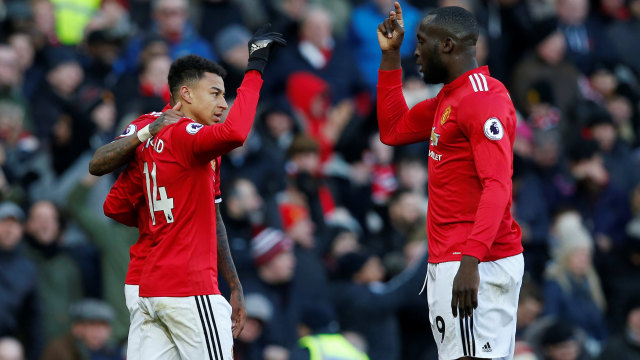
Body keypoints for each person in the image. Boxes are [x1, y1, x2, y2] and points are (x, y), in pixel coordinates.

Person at [93, 28, 285, 359]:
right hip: (187, 286)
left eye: (224, 96)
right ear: (186, 94)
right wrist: (255, 66)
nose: (224, 104)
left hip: (146, 286)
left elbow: (115, 205)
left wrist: (235, 285)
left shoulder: (148, 127)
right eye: (215, 94)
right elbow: (237, 132)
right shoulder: (188, 135)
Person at [376, 3, 524, 359]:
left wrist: (470, 261)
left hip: (475, 260)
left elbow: (498, 186)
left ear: (446, 45)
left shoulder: (480, 101)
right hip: (454, 257)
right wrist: (390, 57)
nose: (415, 52)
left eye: (420, 41)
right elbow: (393, 129)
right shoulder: (451, 97)